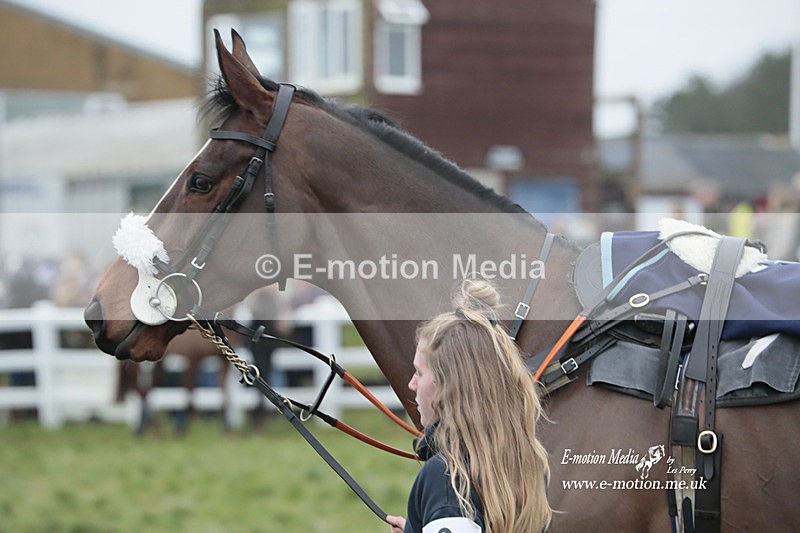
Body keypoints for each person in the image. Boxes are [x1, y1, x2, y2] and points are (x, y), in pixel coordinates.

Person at [387, 279, 552, 533]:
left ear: (448, 385)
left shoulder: (446, 479)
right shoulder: (522, 465)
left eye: (419, 373)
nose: (411, 384)